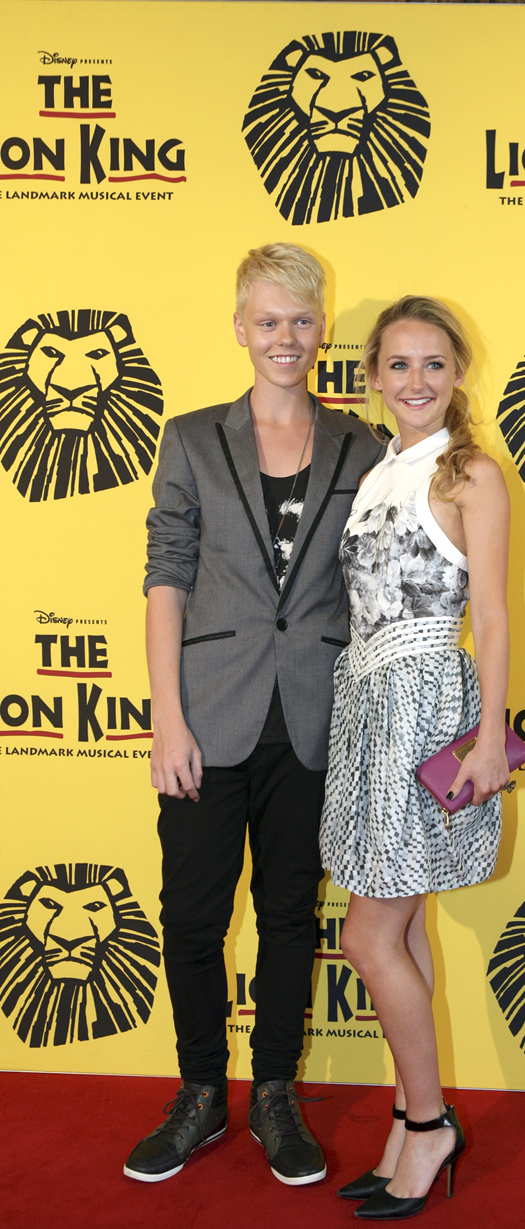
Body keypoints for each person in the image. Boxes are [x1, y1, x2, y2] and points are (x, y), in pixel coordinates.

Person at [124, 244, 384, 1186]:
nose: (285, 338)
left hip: (315, 718)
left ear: (323, 330)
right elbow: (166, 576)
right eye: (267, 320)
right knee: (192, 916)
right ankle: (200, 1093)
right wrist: (166, 718)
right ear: (240, 328)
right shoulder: (192, 438)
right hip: (208, 715)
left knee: (287, 913)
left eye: (301, 321)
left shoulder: (364, 446)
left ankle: (275, 1092)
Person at [320, 296, 511, 1219]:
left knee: (367, 934)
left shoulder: (469, 471)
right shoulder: (380, 467)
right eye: (398, 365)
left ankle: (431, 1125)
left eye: (434, 364)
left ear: (458, 372)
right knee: (395, 930)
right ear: (371, 377)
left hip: (427, 705)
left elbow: (495, 617)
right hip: (367, 704)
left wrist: (487, 736)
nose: (417, 382)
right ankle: (408, 1114)